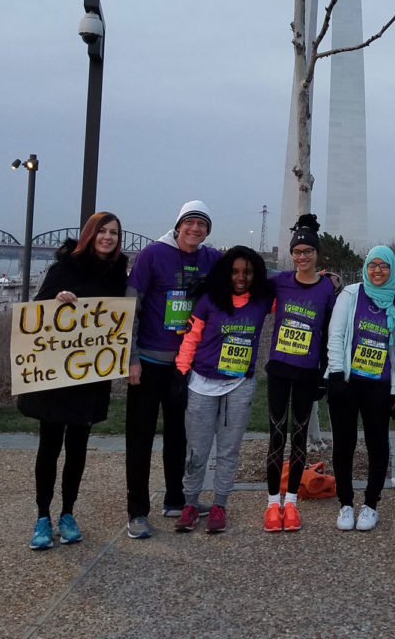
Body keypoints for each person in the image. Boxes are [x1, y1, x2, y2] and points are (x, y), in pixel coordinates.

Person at [18, 212, 128, 550]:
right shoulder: (63, 268)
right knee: (49, 445)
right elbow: (35, 311)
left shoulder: (116, 274)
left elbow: (116, 319)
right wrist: (57, 300)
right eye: (102, 231)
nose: (108, 237)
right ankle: (42, 516)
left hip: (90, 376)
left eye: (113, 233)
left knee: (78, 447)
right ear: (90, 234)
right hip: (57, 375)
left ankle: (67, 513)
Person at [124, 201, 222, 539]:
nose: (195, 229)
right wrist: (131, 358)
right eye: (190, 223)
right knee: (140, 438)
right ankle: (137, 511)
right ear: (178, 225)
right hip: (149, 363)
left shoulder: (211, 259)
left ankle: (175, 498)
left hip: (187, 366)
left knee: (181, 436)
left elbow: (243, 281)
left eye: (202, 225)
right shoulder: (151, 255)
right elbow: (131, 306)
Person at [173, 246, 274, 534]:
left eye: (248, 272)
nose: (241, 277)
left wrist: (326, 278)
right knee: (197, 449)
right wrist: (181, 372)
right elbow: (191, 337)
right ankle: (190, 503)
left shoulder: (263, 300)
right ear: (226, 272)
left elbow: (295, 293)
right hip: (202, 383)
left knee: (229, 450)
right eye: (235, 271)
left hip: (239, 385)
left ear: (257, 274)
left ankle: (219, 504)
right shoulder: (208, 300)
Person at [263, 214, 337, 532]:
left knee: (299, 438)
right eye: (297, 251)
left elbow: (329, 335)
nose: (302, 256)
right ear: (291, 254)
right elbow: (245, 285)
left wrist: (325, 374)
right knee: (276, 437)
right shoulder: (279, 281)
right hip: (280, 369)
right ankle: (271, 504)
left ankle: (291, 501)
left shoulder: (325, 290)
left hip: (307, 372)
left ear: (316, 254)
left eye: (308, 251)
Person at [327, 246, 395, 532]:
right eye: (372, 265)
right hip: (347, 382)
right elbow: (336, 336)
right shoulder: (350, 294)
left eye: (383, 266)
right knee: (344, 443)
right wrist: (335, 374)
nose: (377, 271)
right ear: (365, 267)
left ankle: (371, 505)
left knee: (378, 444)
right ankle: (345, 503)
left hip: (379, 385)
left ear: (391, 270)